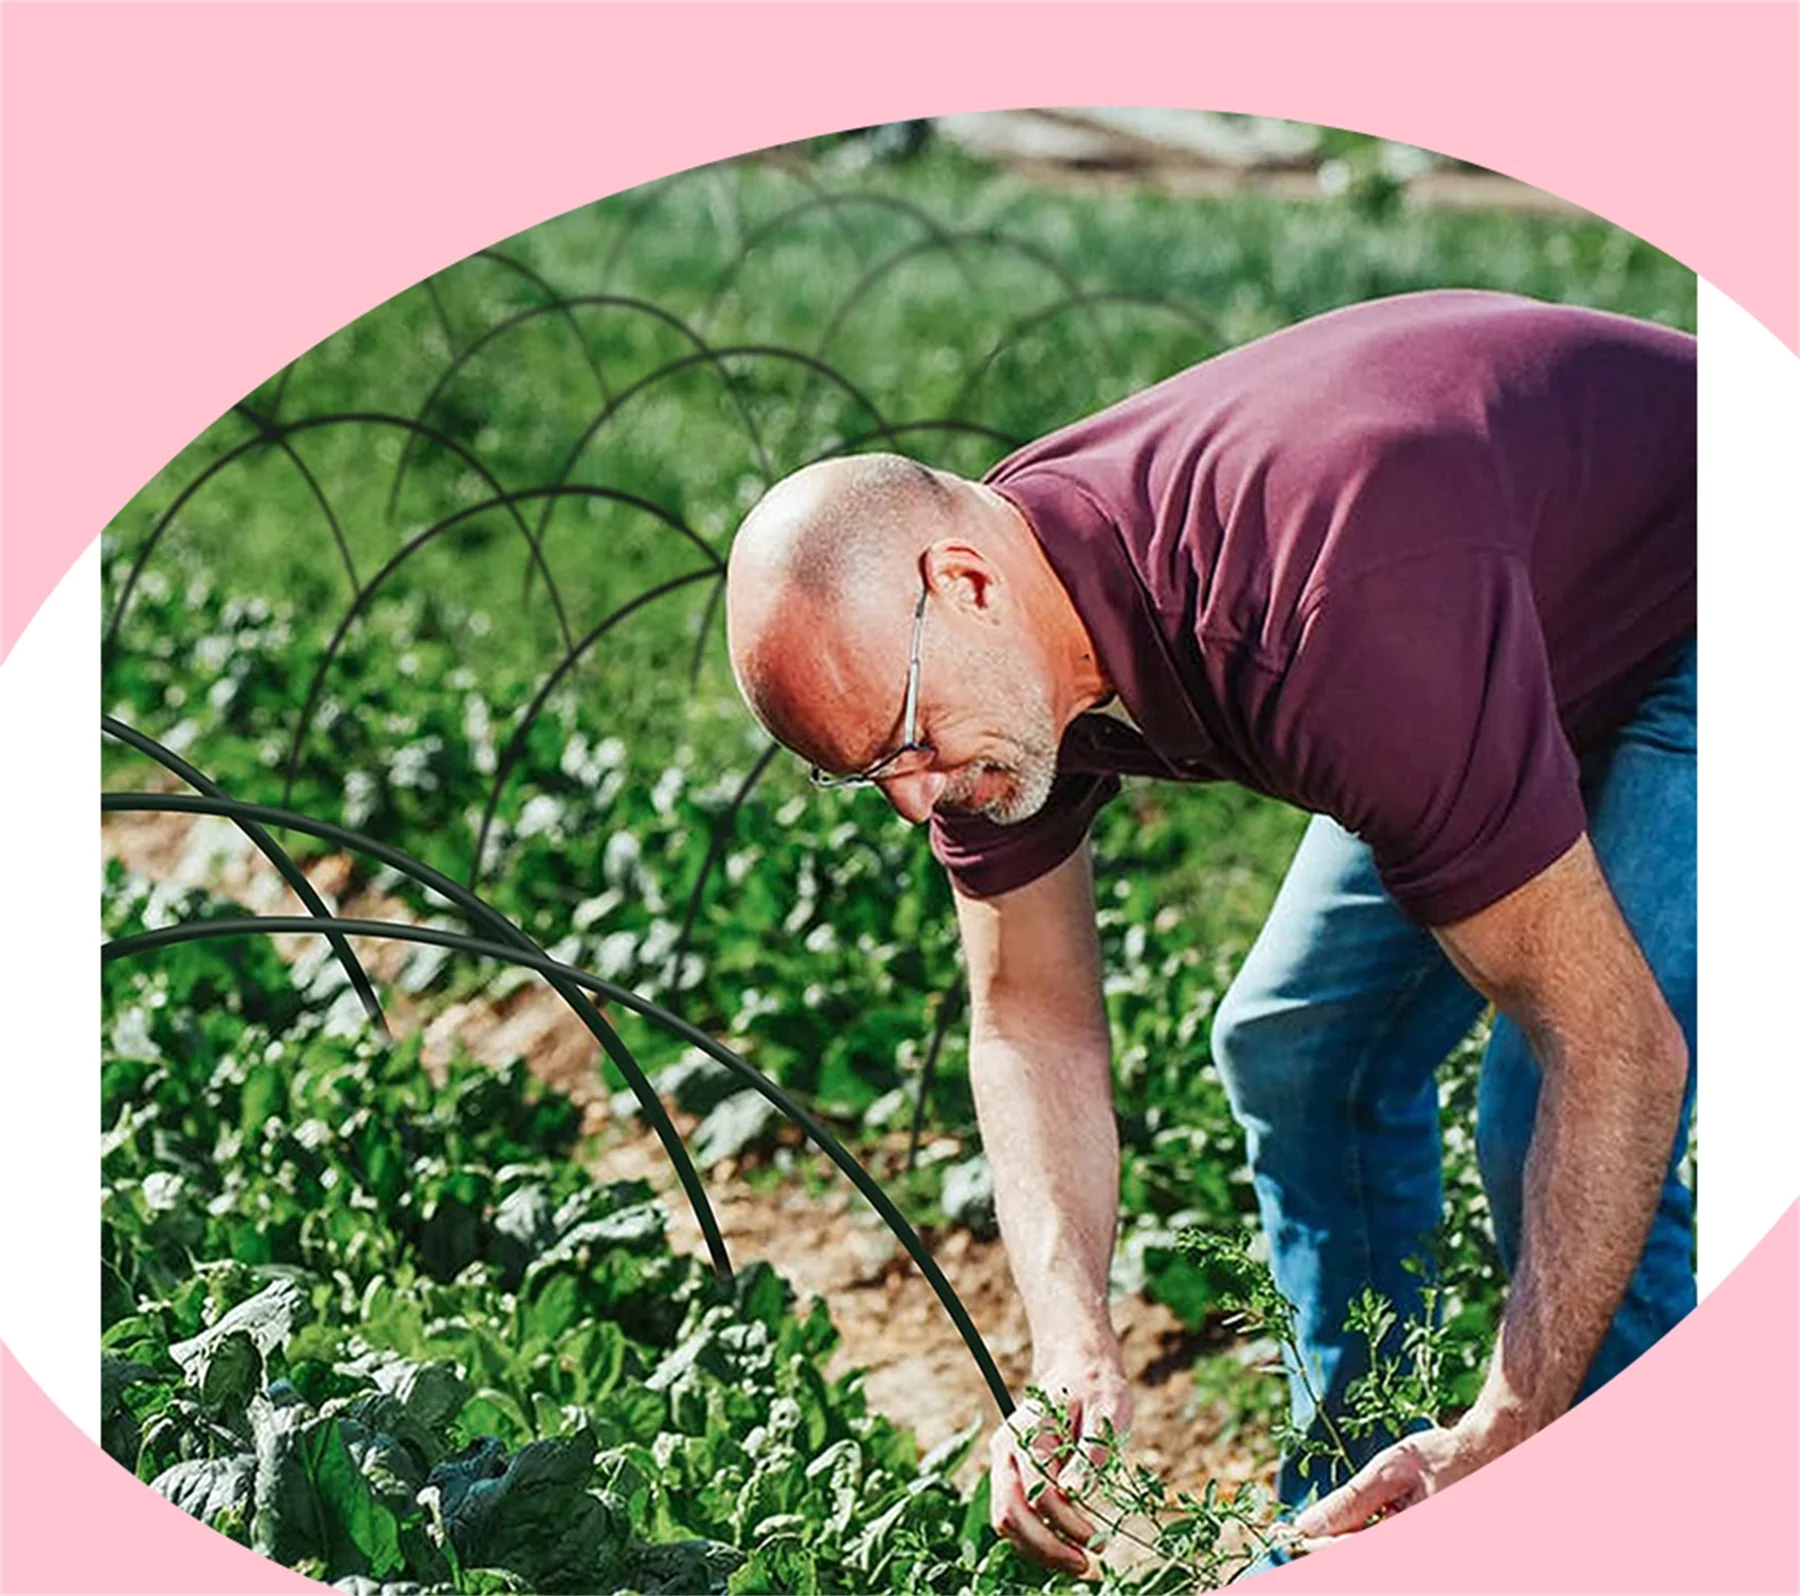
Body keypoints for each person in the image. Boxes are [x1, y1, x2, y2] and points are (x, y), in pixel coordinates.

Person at [723, 289, 1696, 1575]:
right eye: (866, 775)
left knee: (1540, 1099)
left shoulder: (1316, 612)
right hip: (1501, 607)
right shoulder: (1001, 657)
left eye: (904, 740)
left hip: (1720, 587)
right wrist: (1070, 1347)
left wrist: (1509, 1429)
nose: (913, 796)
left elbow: (1618, 1051)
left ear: (958, 584)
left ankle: (1646, 1531)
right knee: (1298, 1048)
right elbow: (1028, 1014)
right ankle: (1359, 1500)